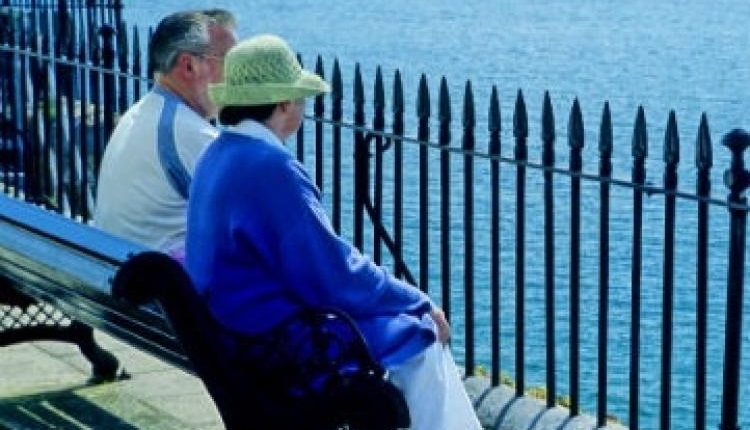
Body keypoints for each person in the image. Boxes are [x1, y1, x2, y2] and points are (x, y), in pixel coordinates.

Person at [185, 34, 482, 430]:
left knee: (406, 334)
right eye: (301, 98)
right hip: (272, 342)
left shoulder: (217, 155)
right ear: (284, 102)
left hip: (234, 335)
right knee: (421, 339)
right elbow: (332, 276)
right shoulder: (270, 168)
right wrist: (418, 302)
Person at [94, 9, 238, 255]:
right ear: (189, 66)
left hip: (121, 273)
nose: (237, 74)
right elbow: (259, 220)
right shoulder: (189, 133)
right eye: (229, 60)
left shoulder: (140, 114)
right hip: (162, 285)